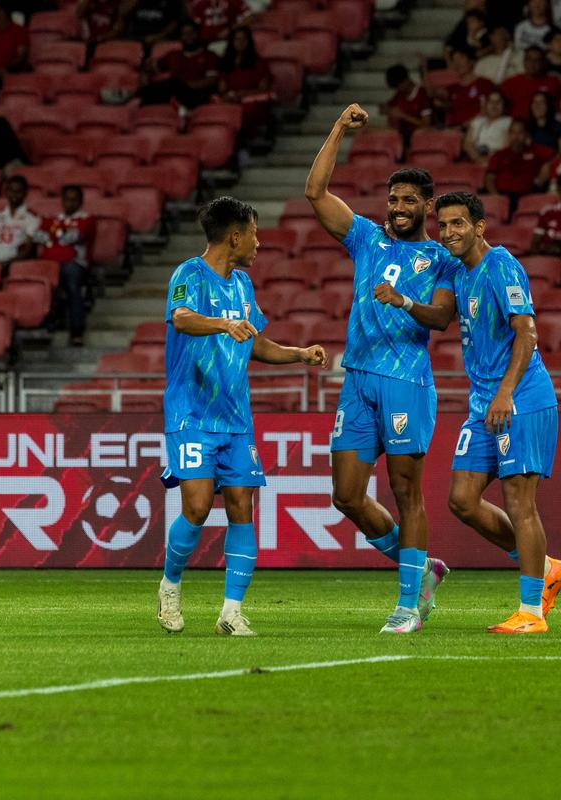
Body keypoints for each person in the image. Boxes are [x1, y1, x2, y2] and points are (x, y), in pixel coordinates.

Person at [304, 104, 460, 634]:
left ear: (427, 206)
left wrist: (400, 302)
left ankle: (407, 605)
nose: (397, 207)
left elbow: (442, 316)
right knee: (345, 494)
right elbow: (316, 195)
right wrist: (338, 131)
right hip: (359, 379)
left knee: (406, 492)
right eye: (393, 199)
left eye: (409, 200)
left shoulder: (441, 259)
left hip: (406, 382)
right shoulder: (367, 239)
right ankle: (424, 571)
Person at [157, 196, 328, 637]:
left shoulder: (243, 285)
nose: (259, 241)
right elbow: (181, 319)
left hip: (235, 418)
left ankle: (231, 612)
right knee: (195, 508)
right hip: (191, 411)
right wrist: (221, 324)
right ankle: (170, 587)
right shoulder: (188, 274)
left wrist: (298, 355)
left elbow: (257, 343)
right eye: (254, 232)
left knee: (241, 507)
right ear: (235, 235)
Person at [426, 191, 561, 635]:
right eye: (444, 224)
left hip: (519, 399)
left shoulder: (501, 265)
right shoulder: (459, 271)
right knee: (462, 500)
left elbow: (526, 331)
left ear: (479, 227)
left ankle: (532, 612)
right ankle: (543, 567)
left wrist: (505, 393)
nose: (449, 232)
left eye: (458, 224)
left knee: (520, 504)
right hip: (484, 402)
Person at [37, 184, 97, 346]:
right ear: (62, 201)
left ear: (80, 201)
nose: (70, 203)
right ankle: (43, 326)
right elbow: (39, 235)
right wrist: (58, 234)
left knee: (72, 284)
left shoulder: (87, 219)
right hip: (50, 263)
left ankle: (76, 331)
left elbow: (73, 236)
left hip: (75, 263)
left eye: (74, 200)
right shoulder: (52, 218)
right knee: (36, 284)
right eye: (67, 199)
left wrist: (54, 235)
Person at [137, 18, 218, 108]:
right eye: (185, 34)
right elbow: (150, 68)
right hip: (172, 93)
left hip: (195, 95)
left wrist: (184, 85)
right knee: (146, 101)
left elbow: (211, 81)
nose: (188, 37)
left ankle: (133, 94)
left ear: (198, 34)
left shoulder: (209, 56)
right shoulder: (174, 55)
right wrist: (145, 75)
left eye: (191, 33)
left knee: (174, 82)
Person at [218, 26, 272, 140]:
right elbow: (222, 89)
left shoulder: (258, 63)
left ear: (249, 41)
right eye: (237, 39)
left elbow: (263, 88)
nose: (240, 43)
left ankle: (242, 145)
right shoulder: (225, 63)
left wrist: (243, 95)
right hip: (232, 101)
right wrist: (230, 97)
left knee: (244, 112)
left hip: (252, 103)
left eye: (243, 39)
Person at [485, 118, 555, 205]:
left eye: (520, 132)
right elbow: (489, 179)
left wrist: (539, 182)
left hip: (527, 198)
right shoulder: (499, 155)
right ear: (509, 134)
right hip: (502, 196)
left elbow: (553, 157)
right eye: (513, 132)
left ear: (526, 135)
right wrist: (497, 198)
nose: (516, 136)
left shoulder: (535, 152)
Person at [0, 175, 39, 273]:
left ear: (25, 193)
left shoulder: (32, 219)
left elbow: (28, 250)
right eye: (11, 190)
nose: (14, 194)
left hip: (15, 267)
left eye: (18, 191)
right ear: (6, 192)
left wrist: (7, 266)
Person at [435, 47, 496, 129]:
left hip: (477, 130)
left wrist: (466, 125)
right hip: (452, 131)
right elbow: (436, 99)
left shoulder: (485, 84)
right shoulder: (452, 88)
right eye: (454, 60)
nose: (457, 63)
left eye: (461, 58)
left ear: (471, 61)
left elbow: (488, 110)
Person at [500, 47, 561, 120]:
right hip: (515, 126)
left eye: (537, 60)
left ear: (543, 63)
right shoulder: (510, 82)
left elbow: (558, 107)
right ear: (524, 61)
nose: (532, 63)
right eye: (529, 59)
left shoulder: (553, 82)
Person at [382, 64, 432, 145]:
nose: (398, 89)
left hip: (419, 137)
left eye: (398, 86)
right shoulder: (399, 94)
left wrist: (403, 116)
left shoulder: (422, 94)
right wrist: (387, 110)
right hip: (402, 136)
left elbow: (426, 124)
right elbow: (386, 107)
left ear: (406, 81)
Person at [463, 90, 512, 164]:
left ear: (504, 105)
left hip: (498, 160)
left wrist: (490, 160)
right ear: (485, 104)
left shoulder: (508, 122)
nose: (494, 105)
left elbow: (506, 147)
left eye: (498, 102)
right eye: (491, 102)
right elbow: (468, 143)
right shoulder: (477, 121)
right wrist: (477, 158)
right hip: (475, 158)